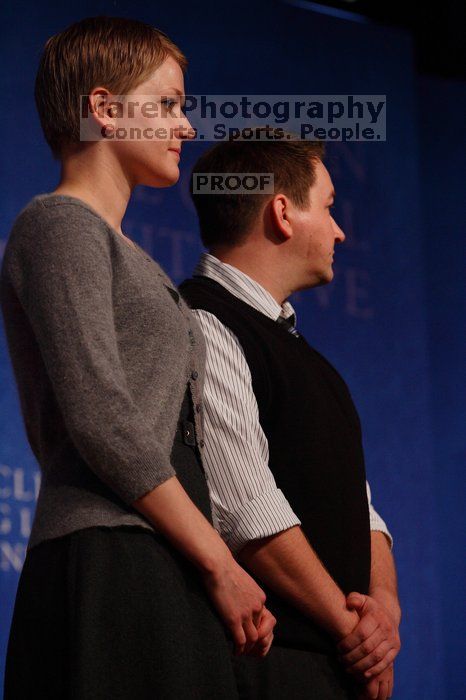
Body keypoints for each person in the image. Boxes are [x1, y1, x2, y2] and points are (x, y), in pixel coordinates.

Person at [0, 18, 277, 699]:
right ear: (102, 110)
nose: (185, 126)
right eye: (168, 104)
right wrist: (219, 562)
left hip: (162, 549)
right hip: (112, 555)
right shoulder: (59, 224)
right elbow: (99, 414)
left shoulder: (126, 252)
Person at [180, 134, 402, 699]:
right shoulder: (205, 323)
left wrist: (386, 611)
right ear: (282, 212)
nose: (339, 230)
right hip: (268, 668)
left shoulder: (308, 359)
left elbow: (363, 507)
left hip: (336, 663)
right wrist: (355, 629)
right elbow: (248, 511)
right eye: (328, 208)